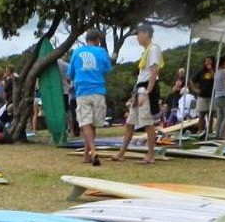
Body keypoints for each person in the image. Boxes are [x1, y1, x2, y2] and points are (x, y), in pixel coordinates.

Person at [113, 22, 162, 165]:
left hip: (145, 89)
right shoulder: (146, 51)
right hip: (140, 89)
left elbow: (154, 71)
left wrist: (147, 92)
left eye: (139, 34)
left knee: (147, 123)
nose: (137, 37)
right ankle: (122, 153)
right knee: (130, 123)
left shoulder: (153, 49)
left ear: (146, 33)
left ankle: (150, 155)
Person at [67, 27, 111, 166]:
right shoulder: (102, 52)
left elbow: (70, 74)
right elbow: (107, 70)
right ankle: (88, 154)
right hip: (98, 90)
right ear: (98, 40)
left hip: (82, 91)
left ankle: (92, 151)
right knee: (93, 125)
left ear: (86, 40)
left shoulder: (77, 52)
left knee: (85, 123)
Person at [211, 54, 225, 139]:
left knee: (220, 116)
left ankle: (216, 134)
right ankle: (221, 133)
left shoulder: (217, 72)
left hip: (217, 96)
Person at [191, 55, 215, 135]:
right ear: (204, 62)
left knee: (210, 114)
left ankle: (210, 131)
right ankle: (201, 131)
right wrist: (195, 90)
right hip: (202, 96)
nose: (208, 62)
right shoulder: (201, 71)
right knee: (201, 114)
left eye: (209, 60)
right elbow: (191, 80)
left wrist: (211, 69)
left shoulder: (214, 70)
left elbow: (216, 79)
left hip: (211, 95)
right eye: (206, 61)